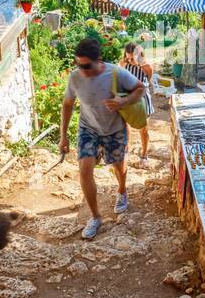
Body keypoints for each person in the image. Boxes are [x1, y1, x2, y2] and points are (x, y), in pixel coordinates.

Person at [58, 37, 145, 240]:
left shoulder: (115, 72)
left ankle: (122, 190)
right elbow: (68, 104)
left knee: (118, 166)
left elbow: (140, 89)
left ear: (99, 60)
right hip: (88, 129)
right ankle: (96, 217)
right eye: (78, 64)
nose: (82, 70)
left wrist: (123, 101)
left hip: (114, 129)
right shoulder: (75, 78)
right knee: (85, 169)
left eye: (86, 65)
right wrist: (63, 136)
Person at [119, 41, 156, 165]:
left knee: (143, 129)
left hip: (142, 98)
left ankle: (144, 155)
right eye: (128, 58)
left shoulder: (147, 67)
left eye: (133, 58)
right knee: (125, 125)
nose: (130, 61)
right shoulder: (123, 64)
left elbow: (148, 80)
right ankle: (126, 149)